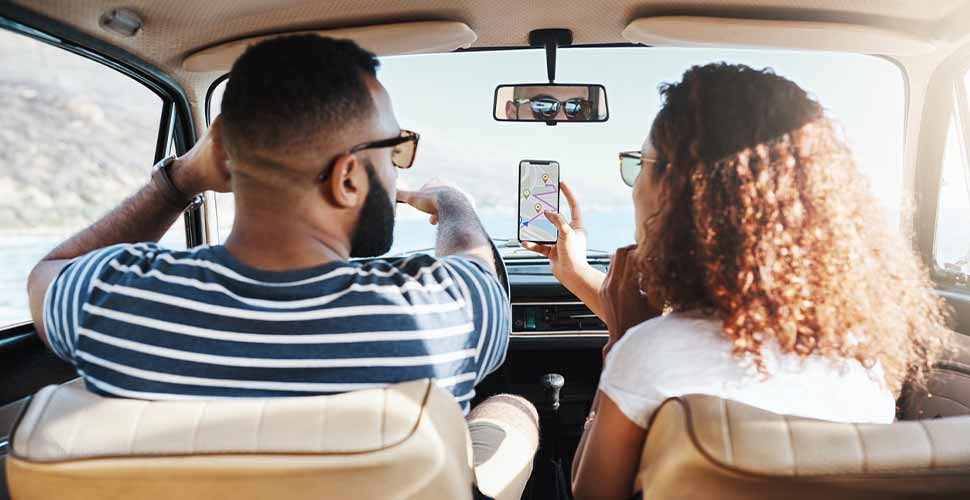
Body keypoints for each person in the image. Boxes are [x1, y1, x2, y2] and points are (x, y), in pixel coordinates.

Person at [26, 35, 537, 498]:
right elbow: (475, 264)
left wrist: (180, 178)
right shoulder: (446, 312)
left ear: (219, 152)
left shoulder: (116, 297)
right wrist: (452, 201)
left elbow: (52, 271)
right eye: (394, 149)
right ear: (347, 179)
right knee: (512, 410)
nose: (398, 167)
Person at [521, 63, 952, 500]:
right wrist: (578, 277)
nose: (634, 186)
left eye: (640, 165)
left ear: (680, 192)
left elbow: (590, 493)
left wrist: (623, 336)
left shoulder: (648, 352)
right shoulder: (867, 363)